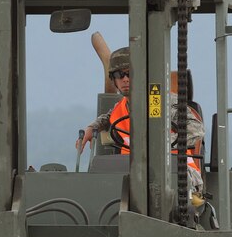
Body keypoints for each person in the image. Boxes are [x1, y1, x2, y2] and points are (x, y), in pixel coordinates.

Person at [75, 47, 205, 195]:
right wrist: (93, 128)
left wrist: (158, 146)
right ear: (114, 80)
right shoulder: (121, 107)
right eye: (119, 74)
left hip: (176, 174)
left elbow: (196, 129)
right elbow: (108, 117)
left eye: (130, 73)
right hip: (129, 174)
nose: (125, 79)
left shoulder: (163, 100)